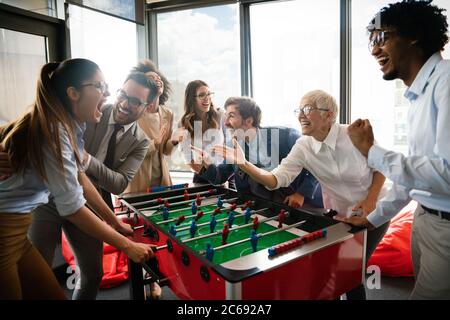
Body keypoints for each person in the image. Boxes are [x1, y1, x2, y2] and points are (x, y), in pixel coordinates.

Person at [0, 59, 153, 300]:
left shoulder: (70, 125)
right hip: (19, 222)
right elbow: (72, 207)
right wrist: (127, 246)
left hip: (20, 230)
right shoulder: (58, 128)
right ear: (73, 93)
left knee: (85, 276)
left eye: (135, 101)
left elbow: (85, 178)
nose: (113, 96)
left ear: (147, 107)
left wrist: (113, 221)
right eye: (101, 87)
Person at [214, 90, 388, 299]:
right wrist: (244, 163)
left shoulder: (352, 135)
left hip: (375, 211)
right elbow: (274, 180)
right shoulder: (303, 145)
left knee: (351, 269)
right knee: (336, 269)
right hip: (341, 215)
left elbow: (383, 166)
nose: (300, 115)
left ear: (329, 114)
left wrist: (370, 200)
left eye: (308, 109)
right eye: (299, 110)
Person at [336, 0, 450, 300]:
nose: (374, 50)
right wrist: (371, 219)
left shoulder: (447, 82)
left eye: (381, 37)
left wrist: (372, 151)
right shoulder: (417, 96)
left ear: (412, 35)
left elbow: (448, 173)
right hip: (425, 220)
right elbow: (414, 176)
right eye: (372, 41)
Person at [193, 96, 323, 208]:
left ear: (249, 120)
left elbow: (316, 162)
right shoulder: (233, 145)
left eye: (231, 116)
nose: (225, 122)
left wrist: (301, 194)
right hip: (265, 208)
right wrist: (207, 164)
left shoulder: (286, 136)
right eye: (226, 116)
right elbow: (219, 177)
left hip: (305, 205)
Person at [125, 60, 177, 193]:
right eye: (151, 78)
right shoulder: (133, 111)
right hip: (138, 180)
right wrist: (155, 143)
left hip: (162, 179)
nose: (157, 80)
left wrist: (175, 141)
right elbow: (128, 151)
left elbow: (165, 150)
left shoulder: (167, 113)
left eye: (158, 78)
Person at [179, 80, 225, 182]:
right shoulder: (184, 123)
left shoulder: (221, 115)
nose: (207, 98)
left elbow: (231, 148)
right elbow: (188, 158)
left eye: (208, 94)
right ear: (192, 99)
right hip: (201, 176)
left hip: (223, 175)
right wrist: (208, 174)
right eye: (201, 95)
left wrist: (219, 177)